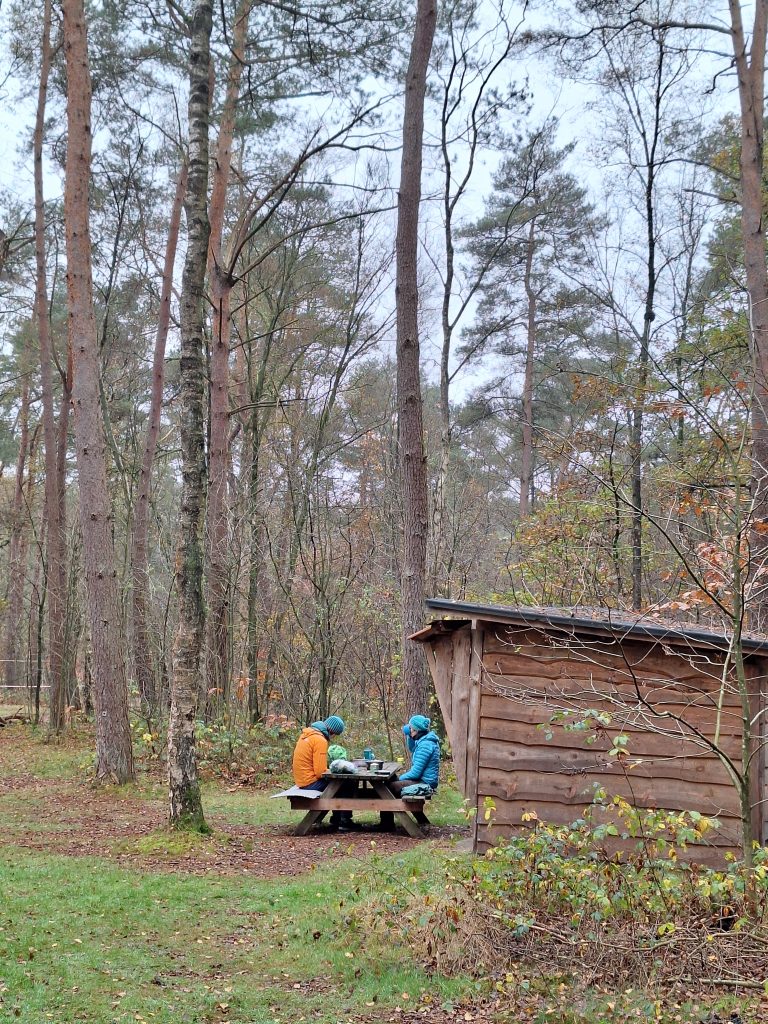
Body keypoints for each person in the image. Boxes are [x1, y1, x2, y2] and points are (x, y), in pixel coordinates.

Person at [291, 716, 355, 832]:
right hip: (309, 783)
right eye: (335, 734)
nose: (333, 737)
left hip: (301, 780)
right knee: (347, 783)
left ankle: (336, 819)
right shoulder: (320, 740)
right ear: (332, 731)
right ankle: (344, 822)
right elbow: (320, 772)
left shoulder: (307, 735)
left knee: (340, 783)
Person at [380, 714, 440, 830]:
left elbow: (416, 773)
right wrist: (409, 735)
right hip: (423, 779)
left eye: (411, 728)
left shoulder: (425, 745)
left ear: (417, 730)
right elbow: (412, 748)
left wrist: (401, 778)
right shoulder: (425, 740)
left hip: (424, 782)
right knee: (391, 781)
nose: (410, 729)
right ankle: (387, 823)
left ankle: (386, 824)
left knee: (388, 787)